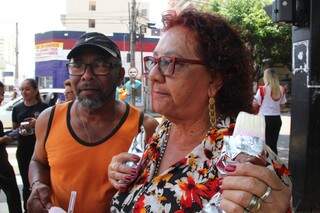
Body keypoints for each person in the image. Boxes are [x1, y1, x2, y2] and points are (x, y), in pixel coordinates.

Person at [109, 9, 291, 213]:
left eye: (170, 63)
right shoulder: (163, 131)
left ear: (214, 80)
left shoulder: (249, 159)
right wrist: (121, 175)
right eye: (154, 61)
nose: (153, 75)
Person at [27, 32, 158, 213]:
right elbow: (38, 161)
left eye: (100, 65)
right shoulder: (48, 119)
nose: (87, 75)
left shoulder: (144, 127)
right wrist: (37, 185)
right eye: (78, 65)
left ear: (120, 75)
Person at [11, 78, 49, 211]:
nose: (24, 92)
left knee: (42, 183)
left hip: (40, 151)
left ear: (35, 90)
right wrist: (21, 130)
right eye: (21, 89)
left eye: (27, 89)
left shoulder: (44, 108)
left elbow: (50, 129)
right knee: (26, 184)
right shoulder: (17, 108)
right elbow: (15, 130)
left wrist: (37, 123)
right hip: (23, 151)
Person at [0, 81, 23, 213]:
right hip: (2, 167)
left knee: (14, 196)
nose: (1, 98)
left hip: (3, 164)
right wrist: (5, 138)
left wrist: (14, 133)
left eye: (2, 94)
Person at [253, 68, 287, 154]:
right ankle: (276, 164)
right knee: (273, 144)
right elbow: (282, 105)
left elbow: (255, 105)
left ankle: (269, 165)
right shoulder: (281, 89)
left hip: (264, 119)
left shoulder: (262, 89)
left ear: (267, 77)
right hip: (277, 119)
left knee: (265, 145)